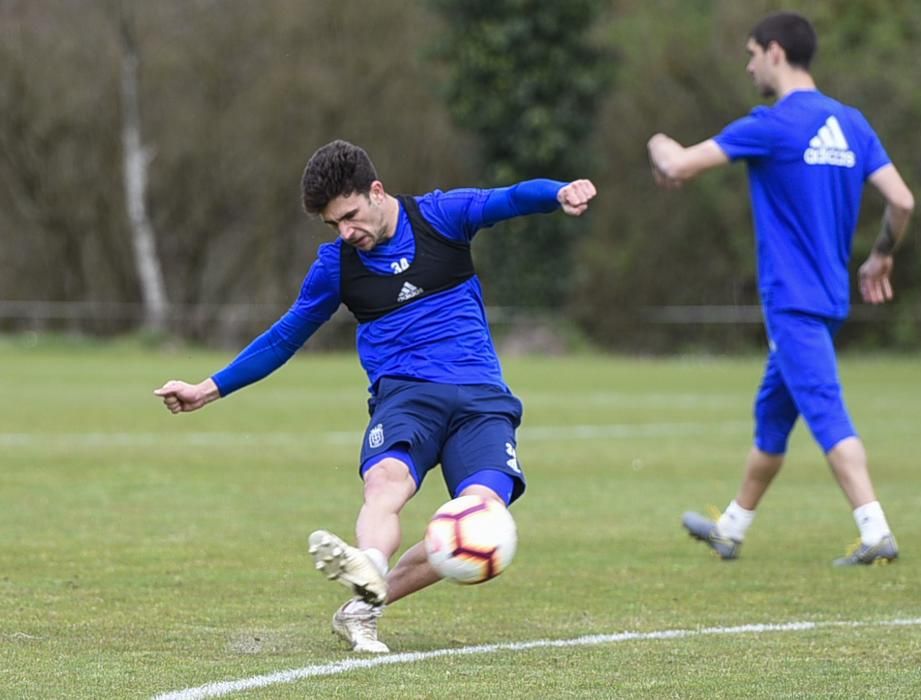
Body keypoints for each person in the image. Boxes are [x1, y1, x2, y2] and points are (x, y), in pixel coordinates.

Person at [154, 139, 597, 652]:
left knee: (480, 522)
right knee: (386, 483)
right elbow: (283, 337)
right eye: (333, 224)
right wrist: (208, 389)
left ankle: (362, 607)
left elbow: (509, 198)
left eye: (350, 216)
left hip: (481, 398)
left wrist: (559, 192)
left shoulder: (440, 217)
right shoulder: (337, 266)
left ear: (377, 191)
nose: (346, 232)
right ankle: (371, 565)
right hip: (405, 396)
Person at [646, 12, 914, 566]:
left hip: (792, 303)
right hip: (828, 299)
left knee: (826, 412)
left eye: (751, 54)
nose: (748, 66)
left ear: (774, 52)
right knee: (772, 418)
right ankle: (731, 529)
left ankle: (875, 530)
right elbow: (903, 201)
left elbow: (678, 166)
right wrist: (881, 257)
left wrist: (656, 142)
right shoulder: (852, 123)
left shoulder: (771, 124)